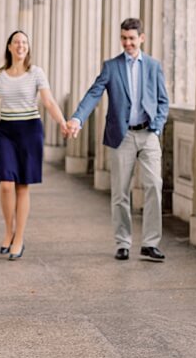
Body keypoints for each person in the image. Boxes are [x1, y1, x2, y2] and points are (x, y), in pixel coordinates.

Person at [66, 18, 170, 262]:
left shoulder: (153, 66)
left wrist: (157, 127)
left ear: (141, 38)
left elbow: (163, 100)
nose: (128, 43)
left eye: (132, 38)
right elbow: (94, 93)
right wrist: (77, 119)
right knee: (120, 192)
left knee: (154, 185)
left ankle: (150, 243)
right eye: (124, 38)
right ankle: (123, 242)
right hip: (121, 136)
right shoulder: (111, 66)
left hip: (148, 134)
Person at [0, 31, 70, 260]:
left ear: (28, 47)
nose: (21, 45)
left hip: (30, 131)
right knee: (6, 183)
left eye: (25, 42)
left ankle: (19, 238)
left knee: (22, 186)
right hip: (7, 131)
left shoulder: (36, 72)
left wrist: (63, 122)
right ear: (9, 46)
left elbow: (48, 101)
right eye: (17, 42)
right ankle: (9, 230)